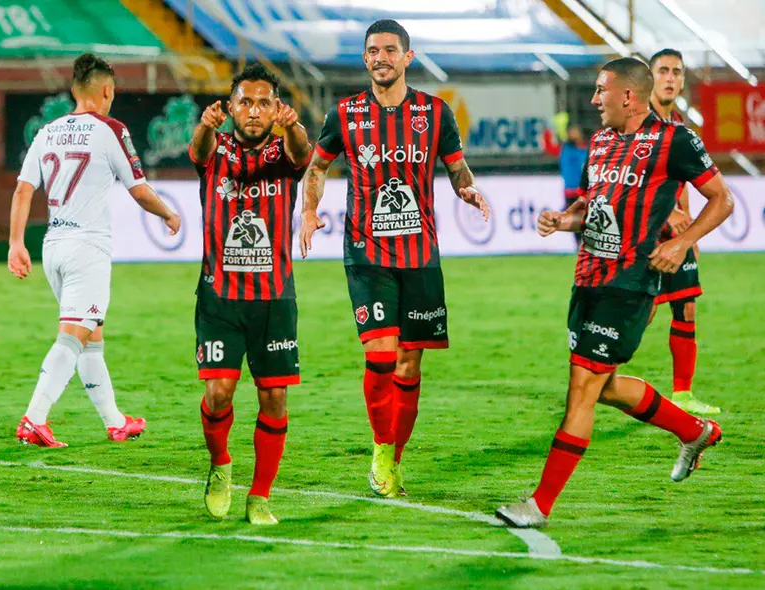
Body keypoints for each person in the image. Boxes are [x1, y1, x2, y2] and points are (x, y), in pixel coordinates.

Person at [496, 57, 733, 528]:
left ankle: (539, 506)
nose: (593, 99)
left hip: (628, 286)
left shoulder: (675, 141)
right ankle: (694, 430)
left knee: (581, 390)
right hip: (587, 280)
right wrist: (566, 219)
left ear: (628, 96)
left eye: (601, 90)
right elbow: (591, 201)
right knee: (603, 388)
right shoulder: (602, 141)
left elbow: (722, 199)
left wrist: (682, 241)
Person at [299, 19, 490, 498]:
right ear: (364, 59)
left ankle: (393, 458)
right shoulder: (343, 113)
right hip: (366, 253)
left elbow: (456, 164)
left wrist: (466, 188)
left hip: (421, 254)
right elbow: (317, 167)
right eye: (372, 50)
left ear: (408, 56)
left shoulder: (436, 112)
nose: (380, 57)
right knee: (381, 357)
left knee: (409, 366)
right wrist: (308, 210)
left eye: (389, 49)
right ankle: (381, 449)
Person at [8, 54, 180, 447]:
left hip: (53, 246)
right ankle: (34, 418)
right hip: (88, 248)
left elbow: (22, 190)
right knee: (72, 336)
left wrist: (17, 243)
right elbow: (137, 188)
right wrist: (169, 214)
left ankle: (115, 421)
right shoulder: (111, 130)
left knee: (91, 336)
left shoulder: (47, 131)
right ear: (107, 91)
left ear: (73, 91)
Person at [190, 63, 311, 525]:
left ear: (274, 107)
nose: (254, 111)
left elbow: (304, 153)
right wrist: (204, 126)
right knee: (219, 393)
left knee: (274, 398)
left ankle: (260, 496)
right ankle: (220, 464)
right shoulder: (215, 148)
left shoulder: (286, 152)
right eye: (245, 102)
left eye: (264, 103)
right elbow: (198, 151)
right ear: (232, 106)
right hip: (220, 296)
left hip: (274, 298)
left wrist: (294, 124)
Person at [646, 48, 719, 415]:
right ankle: (597, 380)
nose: (670, 77)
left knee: (686, 308)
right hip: (641, 234)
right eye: (663, 71)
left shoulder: (679, 127)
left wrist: (691, 235)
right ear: (650, 77)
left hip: (677, 236)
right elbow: (630, 185)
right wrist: (667, 215)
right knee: (639, 314)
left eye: (676, 71)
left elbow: (684, 181)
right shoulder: (635, 124)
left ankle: (683, 394)